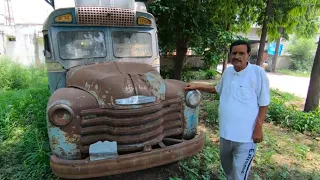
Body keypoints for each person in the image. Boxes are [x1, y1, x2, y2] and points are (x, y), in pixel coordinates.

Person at [185, 40, 270, 180]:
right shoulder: (228, 72)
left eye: (241, 53)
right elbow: (217, 89)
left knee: (239, 173)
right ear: (230, 55)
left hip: (246, 137)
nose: (237, 56)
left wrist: (258, 128)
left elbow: (264, 103)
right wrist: (197, 86)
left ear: (248, 55)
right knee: (227, 168)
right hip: (226, 134)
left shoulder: (257, 73)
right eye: (234, 53)